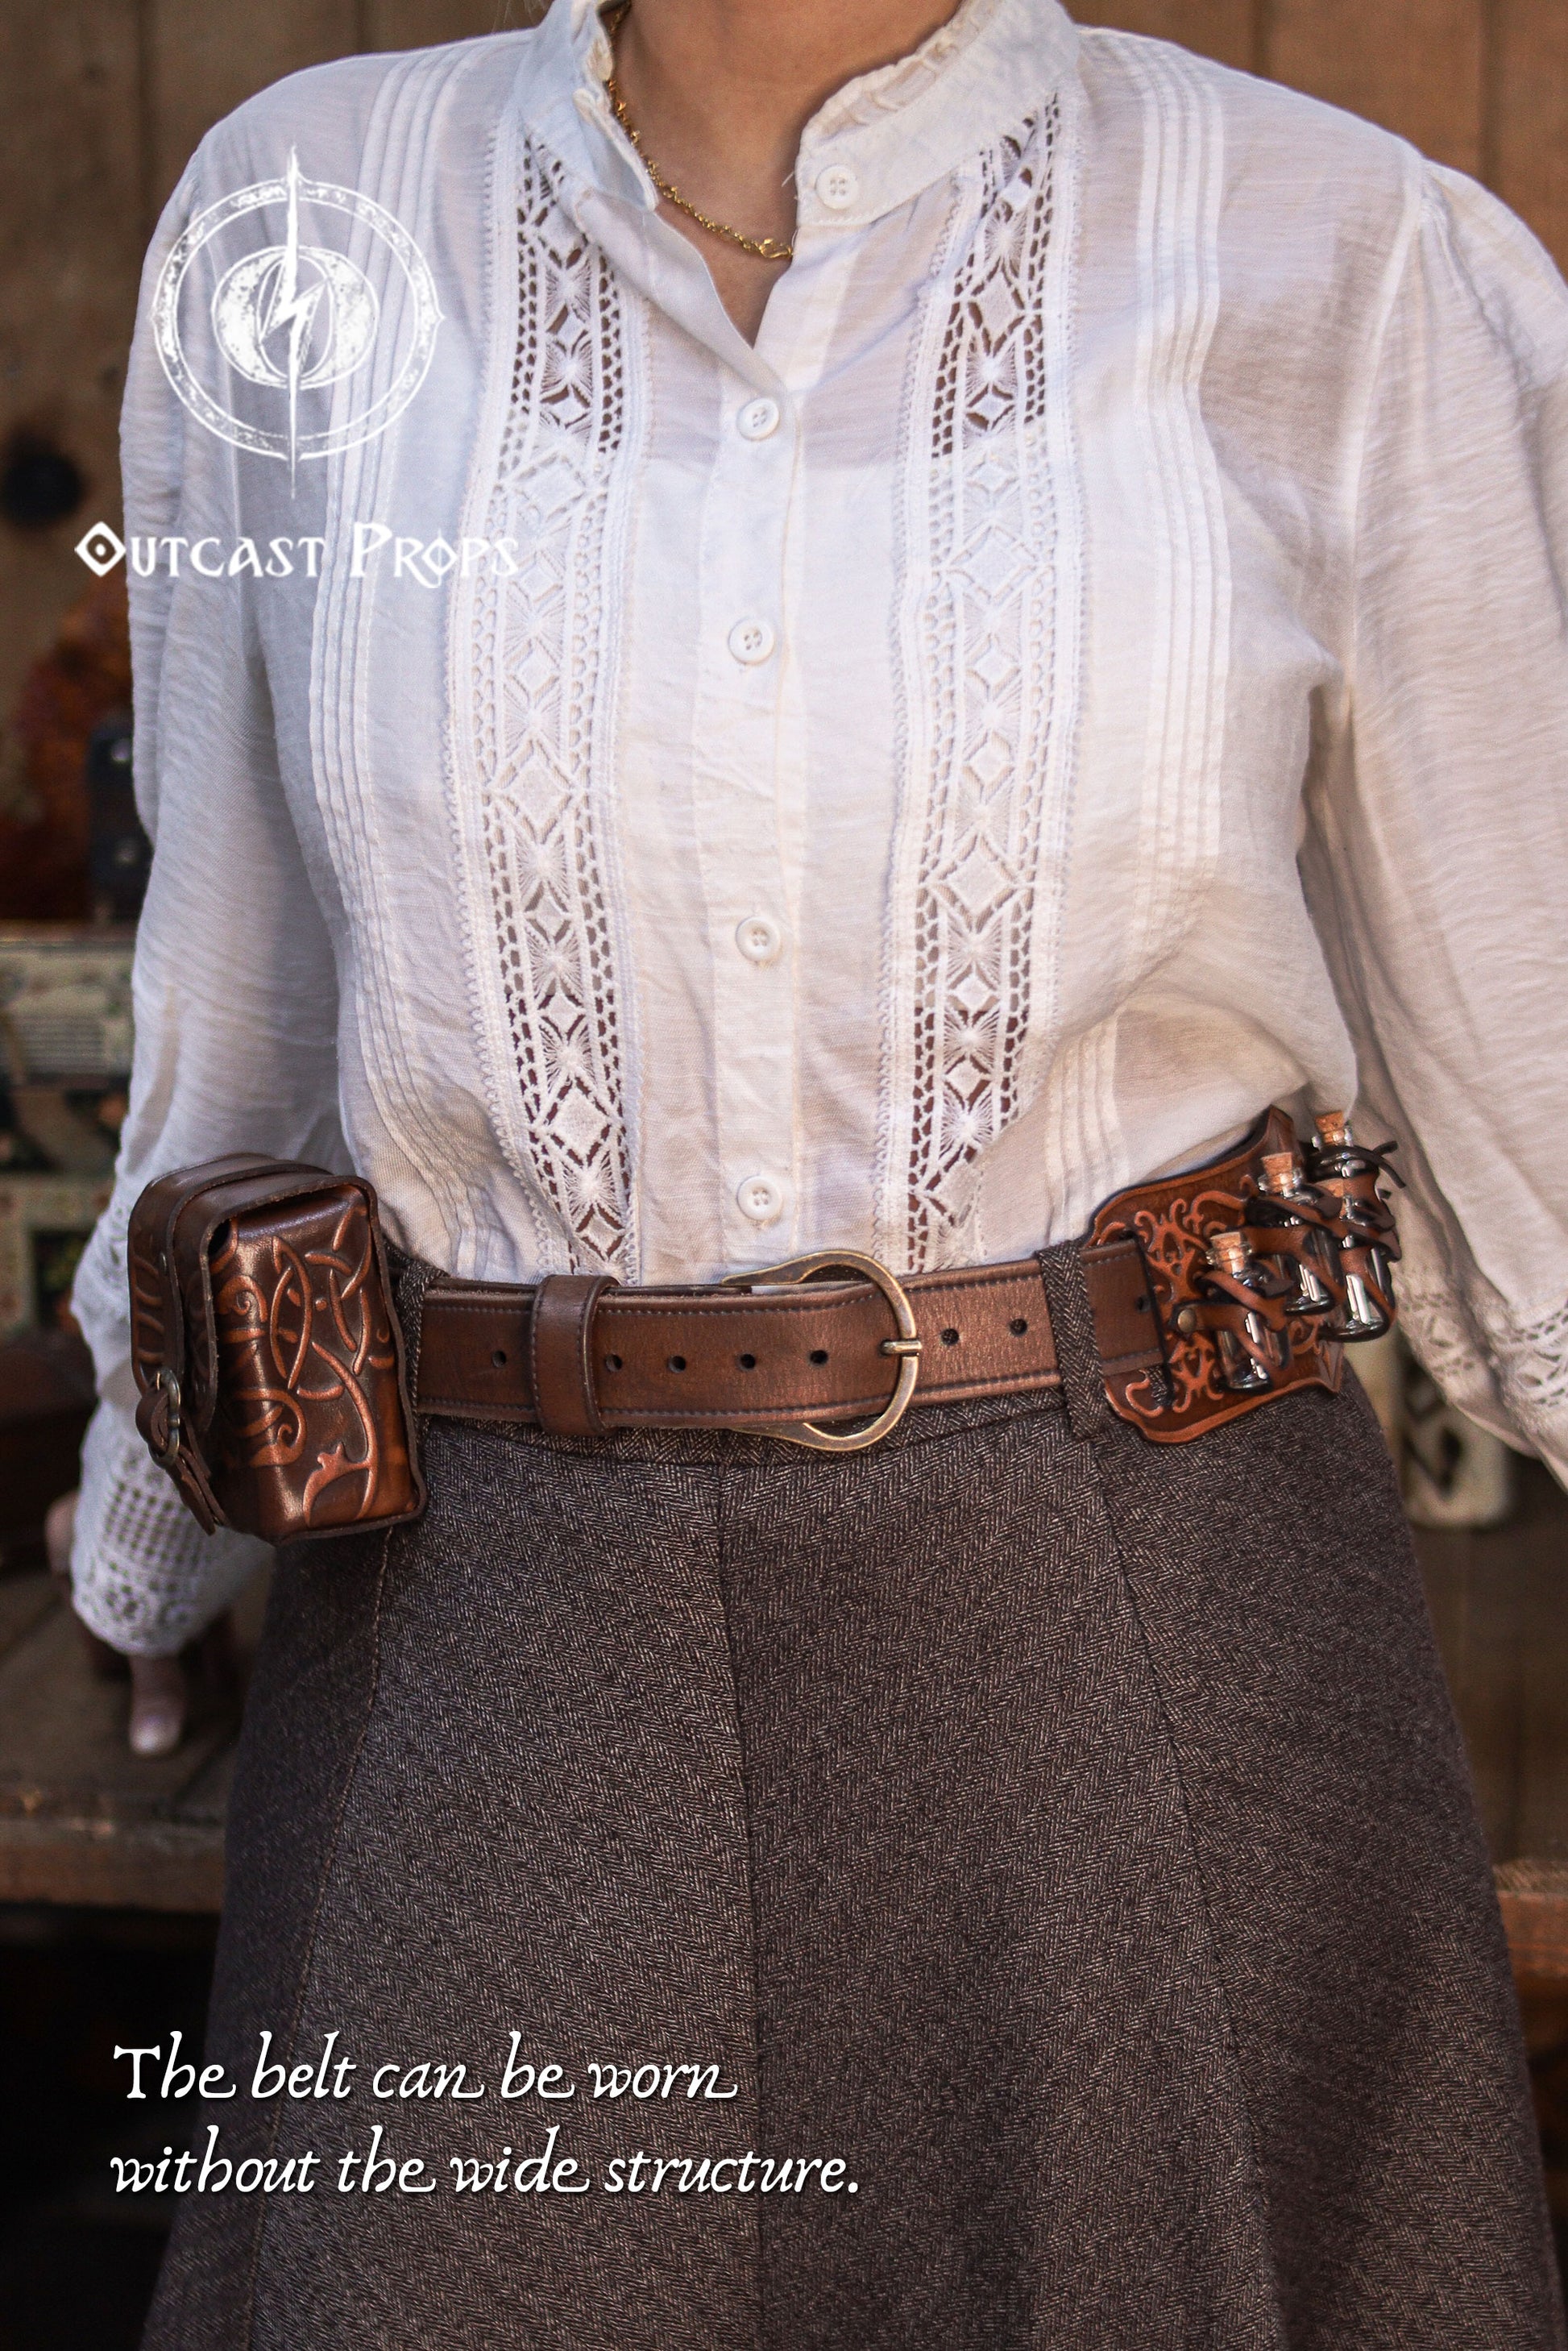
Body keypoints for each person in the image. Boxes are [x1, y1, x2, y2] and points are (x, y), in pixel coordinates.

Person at [69, 0, 1568, 2342]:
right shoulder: (301, 212)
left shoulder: (1346, 250)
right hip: (483, 1623)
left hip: (1137, 1615)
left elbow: (1528, 1000)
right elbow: (236, 949)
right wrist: (147, 1509)